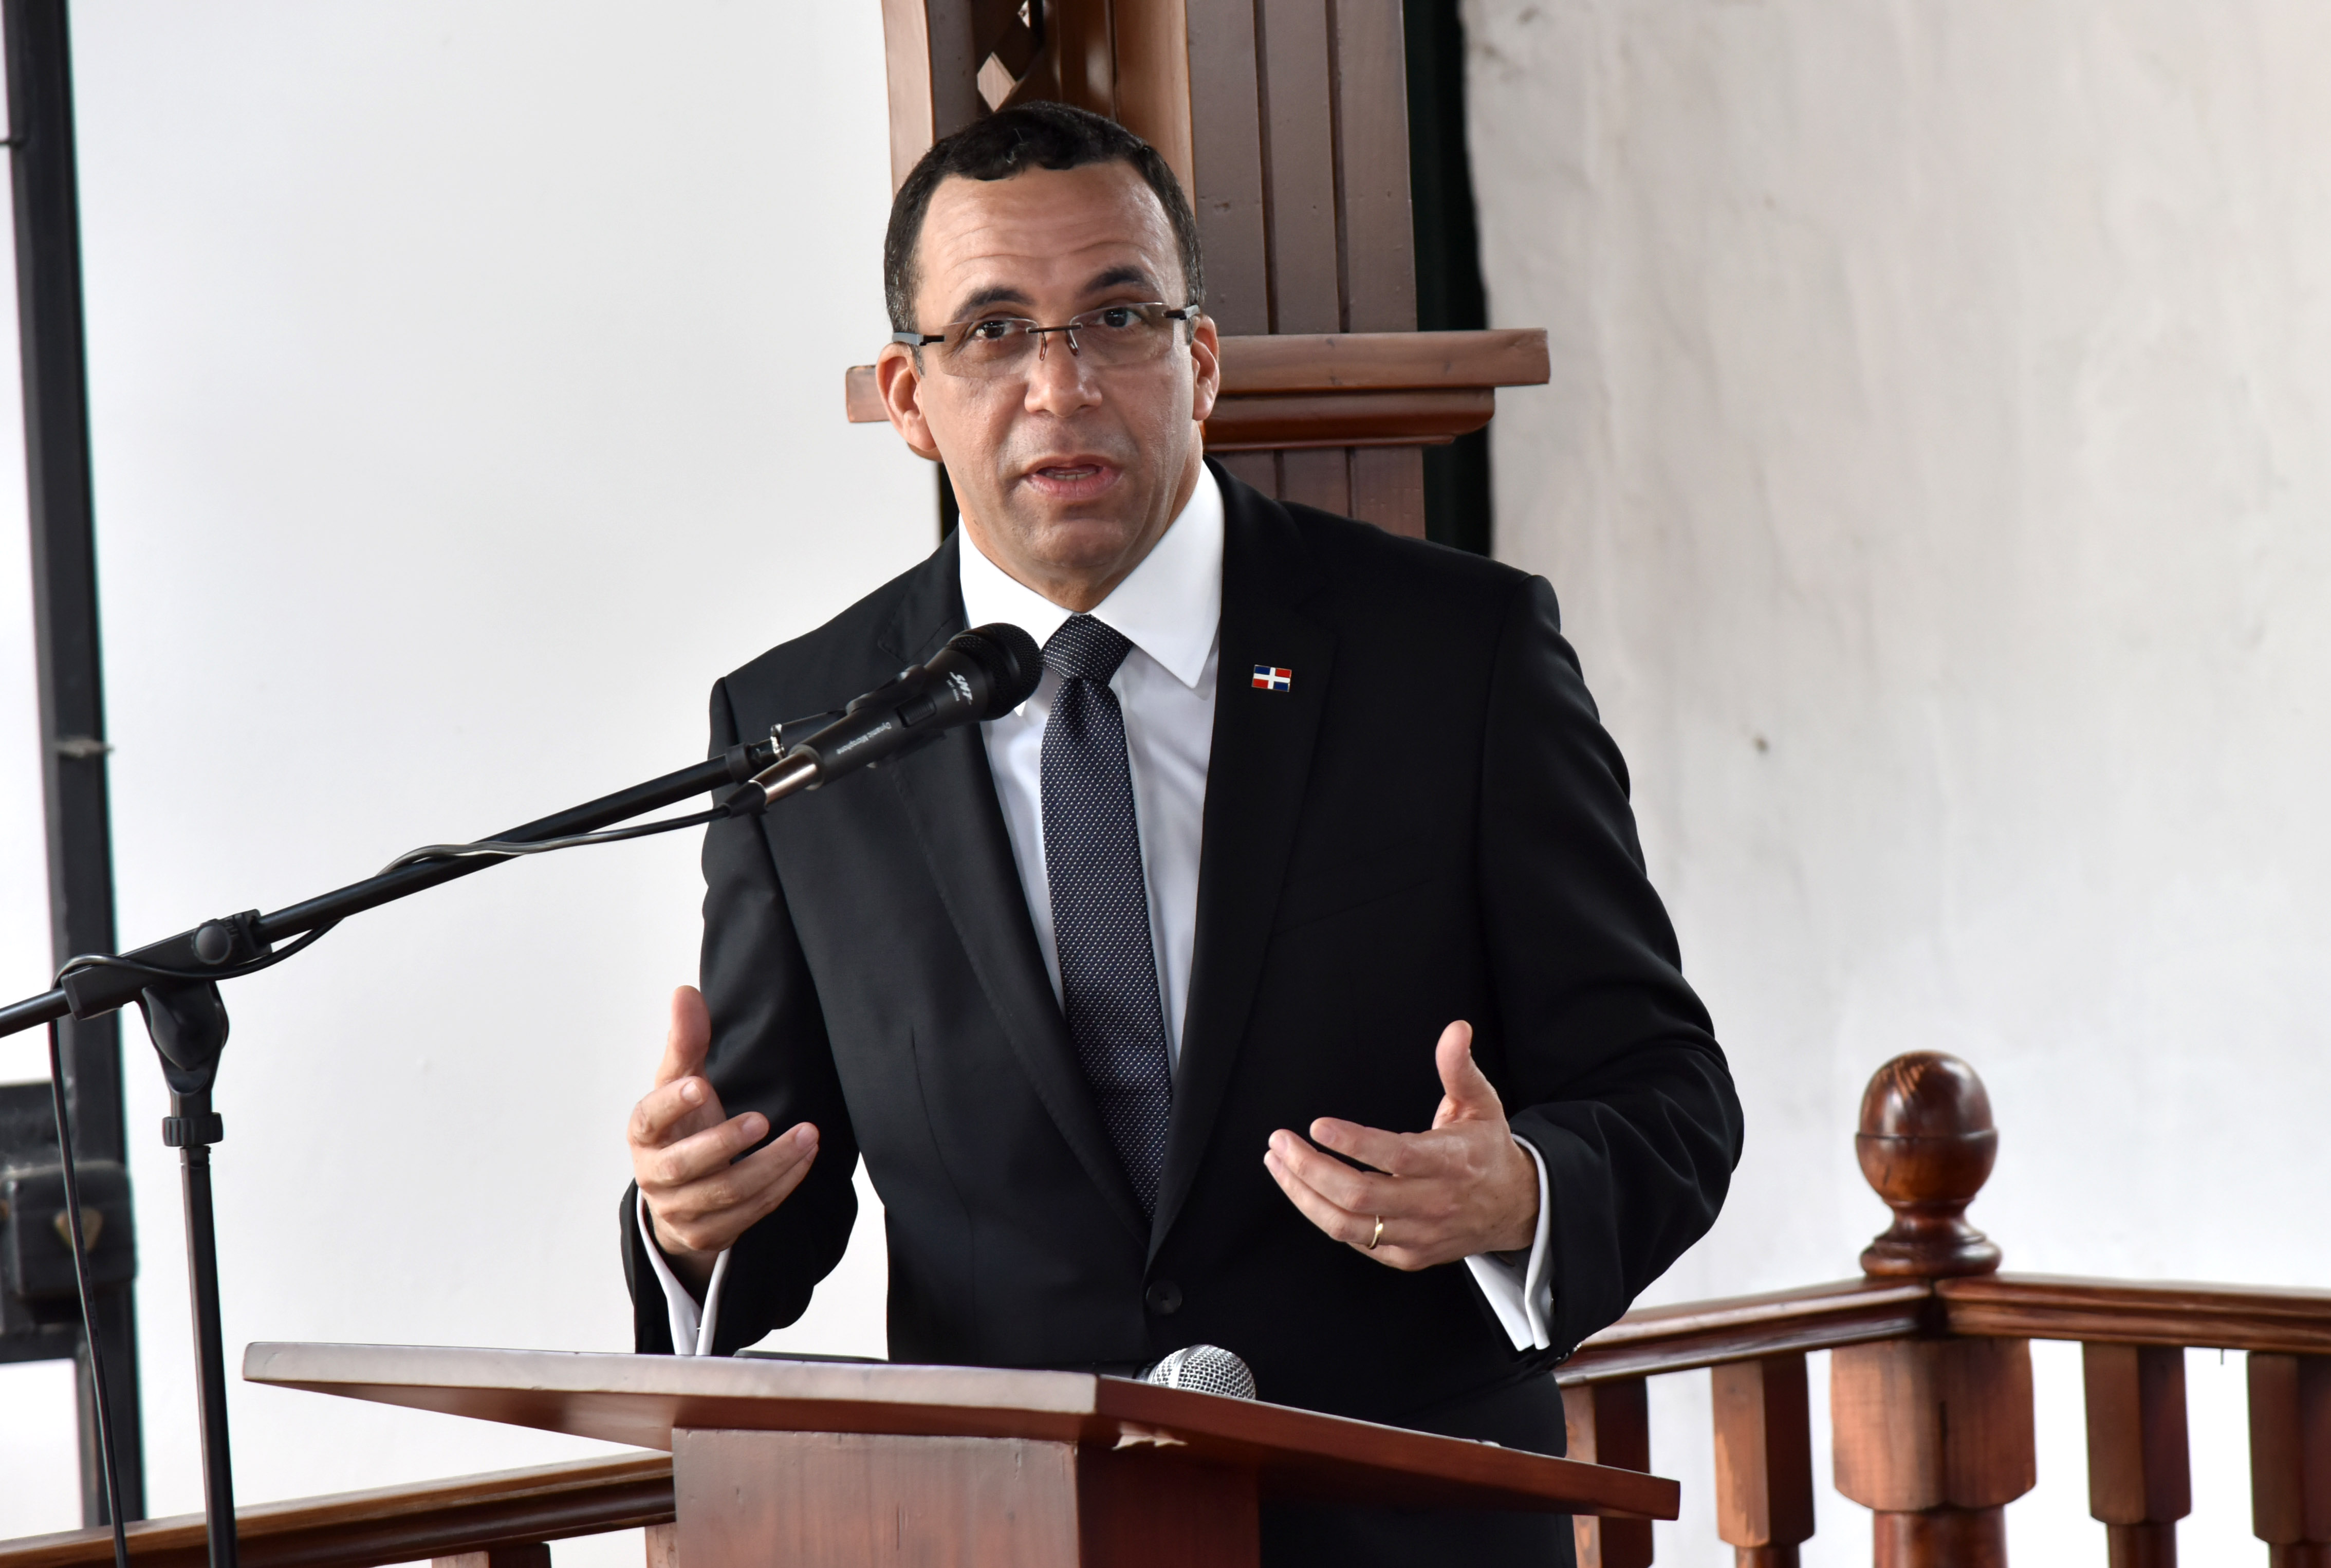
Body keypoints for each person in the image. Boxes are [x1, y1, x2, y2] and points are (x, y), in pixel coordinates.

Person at [619, 101, 1740, 1564]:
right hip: (1006, 1535)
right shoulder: (808, 732)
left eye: (1118, 315)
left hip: (1410, 1532)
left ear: (1198, 359)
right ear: (910, 393)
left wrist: (1524, 1186)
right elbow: (774, 1188)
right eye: (996, 330)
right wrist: (694, 1220)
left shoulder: (1454, 657)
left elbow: (1670, 1096)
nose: (1062, 384)